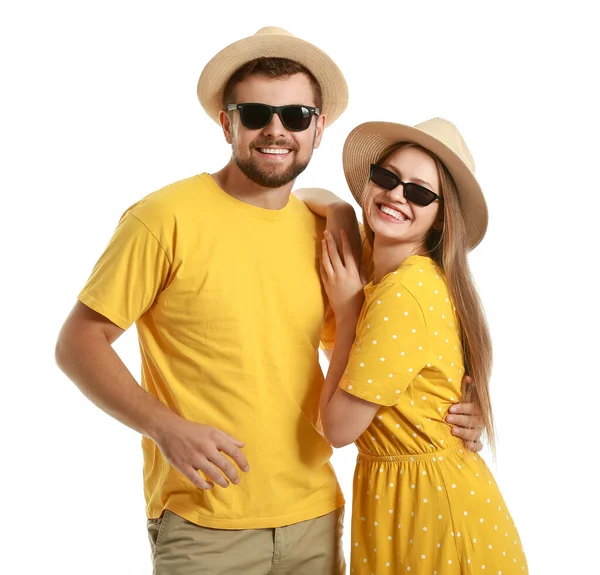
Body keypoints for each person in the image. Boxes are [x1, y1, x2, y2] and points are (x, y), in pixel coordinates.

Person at [54, 26, 484, 575]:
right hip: (204, 522)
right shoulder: (163, 219)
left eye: (296, 116)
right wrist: (165, 428)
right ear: (227, 122)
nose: (276, 130)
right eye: (256, 114)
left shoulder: (323, 235)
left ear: (319, 128)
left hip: (317, 520)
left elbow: (368, 356)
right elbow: (77, 342)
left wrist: (460, 412)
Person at [316, 117, 528, 573]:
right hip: (412, 503)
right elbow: (305, 197)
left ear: (439, 217)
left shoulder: (401, 294)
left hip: (434, 516)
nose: (396, 195)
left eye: (419, 192)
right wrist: (339, 209)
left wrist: (349, 313)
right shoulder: (388, 275)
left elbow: (337, 429)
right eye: (387, 178)